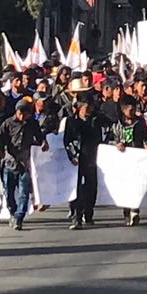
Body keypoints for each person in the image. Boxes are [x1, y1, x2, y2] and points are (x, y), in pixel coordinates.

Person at [0, 99, 50, 230]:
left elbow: (40, 137)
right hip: (10, 162)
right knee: (9, 192)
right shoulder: (8, 123)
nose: (23, 117)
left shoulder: (32, 124)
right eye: (21, 113)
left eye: (27, 114)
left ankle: (19, 217)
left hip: (25, 163)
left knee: (24, 192)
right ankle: (12, 212)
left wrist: (43, 143)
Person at [108, 95, 147, 225]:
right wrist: (116, 144)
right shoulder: (116, 125)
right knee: (125, 186)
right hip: (122, 159)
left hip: (137, 158)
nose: (132, 111)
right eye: (129, 109)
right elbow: (109, 139)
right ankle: (126, 212)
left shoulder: (140, 122)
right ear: (123, 109)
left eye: (133, 108)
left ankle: (135, 210)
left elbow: (146, 138)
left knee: (136, 185)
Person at [64, 93, 105, 229]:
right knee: (76, 188)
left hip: (93, 157)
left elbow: (109, 129)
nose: (90, 109)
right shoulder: (71, 121)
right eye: (87, 106)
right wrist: (72, 155)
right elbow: (67, 140)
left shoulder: (97, 119)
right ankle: (77, 216)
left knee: (91, 187)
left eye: (91, 106)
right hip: (77, 158)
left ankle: (88, 213)